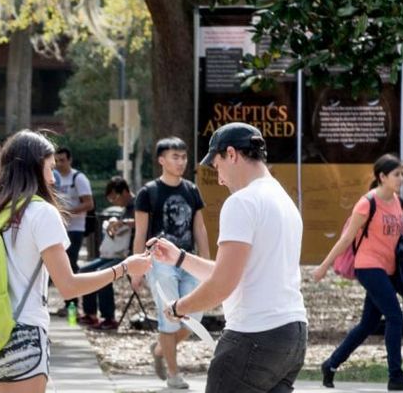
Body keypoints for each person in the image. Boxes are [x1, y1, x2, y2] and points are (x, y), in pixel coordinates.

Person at [0, 130, 150, 393]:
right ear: (35, 168)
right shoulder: (40, 212)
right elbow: (69, 286)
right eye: (49, 168)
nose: (53, 178)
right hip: (23, 331)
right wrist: (124, 268)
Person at [146, 123, 307, 393]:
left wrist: (178, 307)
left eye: (217, 166)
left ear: (231, 154)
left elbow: (223, 284)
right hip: (292, 337)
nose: (219, 179)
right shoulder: (282, 199)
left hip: (253, 337)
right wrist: (181, 258)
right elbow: (237, 272)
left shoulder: (241, 202)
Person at [311, 154, 403, 391]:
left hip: (389, 269)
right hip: (368, 267)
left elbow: (398, 238)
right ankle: (396, 377)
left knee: (367, 325)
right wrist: (324, 266)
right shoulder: (366, 203)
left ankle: (330, 364)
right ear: (382, 177)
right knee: (394, 316)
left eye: (402, 174)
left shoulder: (398, 202)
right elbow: (346, 239)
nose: (401, 178)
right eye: (397, 174)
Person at [131, 137, 210, 388]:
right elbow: (140, 234)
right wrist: (136, 269)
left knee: (193, 316)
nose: (181, 162)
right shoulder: (148, 192)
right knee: (169, 318)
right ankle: (174, 375)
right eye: (175, 157)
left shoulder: (191, 190)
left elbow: (199, 227)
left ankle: (160, 349)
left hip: (189, 260)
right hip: (160, 262)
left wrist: (207, 262)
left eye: (184, 157)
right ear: (161, 160)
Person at [77, 177, 134, 331]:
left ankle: (109, 317)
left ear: (124, 192)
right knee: (84, 270)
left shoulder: (138, 204)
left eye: (115, 198)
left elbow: (142, 221)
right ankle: (90, 314)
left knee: (103, 273)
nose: (114, 202)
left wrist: (123, 223)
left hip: (129, 255)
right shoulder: (125, 209)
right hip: (113, 253)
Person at [52, 147, 93, 315]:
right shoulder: (53, 177)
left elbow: (89, 203)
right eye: (57, 160)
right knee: (59, 265)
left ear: (70, 160)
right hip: (58, 228)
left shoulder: (78, 178)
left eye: (63, 160)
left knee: (71, 264)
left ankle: (73, 306)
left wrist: (68, 213)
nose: (60, 164)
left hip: (75, 228)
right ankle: (68, 303)